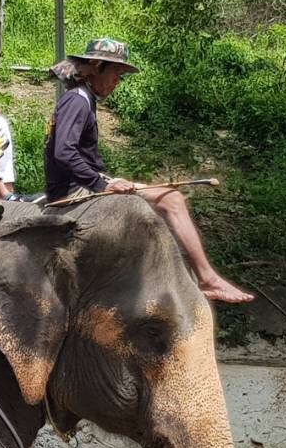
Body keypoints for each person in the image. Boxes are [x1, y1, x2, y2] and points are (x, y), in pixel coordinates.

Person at [44, 38, 254, 305]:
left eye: (121, 77)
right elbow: (64, 152)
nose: (117, 83)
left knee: (169, 196)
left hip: (88, 183)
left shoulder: (84, 98)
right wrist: (102, 184)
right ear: (96, 67)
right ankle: (207, 279)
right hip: (74, 192)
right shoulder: (77, 101)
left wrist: (107, 180)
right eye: (116, 74)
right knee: (171, 200)